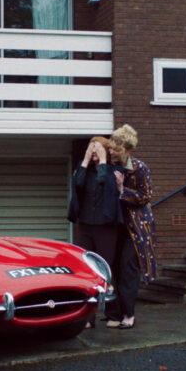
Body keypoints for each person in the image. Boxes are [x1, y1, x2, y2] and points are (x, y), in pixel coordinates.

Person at [67, 135, 121, 328]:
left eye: (97, 148)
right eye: (91, 148)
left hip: (106, 226)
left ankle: (113, 313)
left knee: (106, 268)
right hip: (86, 224)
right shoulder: (84, 170)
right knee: (86, 268)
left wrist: (104, 160)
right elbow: (78, 184)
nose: (94, 151)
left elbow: (104, 184)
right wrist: (86, 160)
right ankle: (87, 317)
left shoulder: (113, 171)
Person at [108, 124, 155, 330]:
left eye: (116, 149)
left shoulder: (140, 168)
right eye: (110, 148)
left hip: (135, 228)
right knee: (114, 268)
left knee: (128, 268)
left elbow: (146, 196)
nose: (111, 152)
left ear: (127, 150)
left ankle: (129, 314)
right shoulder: (109, 167)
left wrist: (122, 189)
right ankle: (116, 313)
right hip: (115, 225)